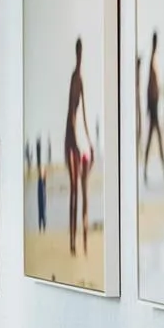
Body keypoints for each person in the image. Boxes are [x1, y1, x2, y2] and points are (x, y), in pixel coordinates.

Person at [64, 38, 94, 257]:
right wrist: (75, 140)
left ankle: (83, 240)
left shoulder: (80, 79)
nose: (80, 56)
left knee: (83, 191)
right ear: (76, 53)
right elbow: (71, 114)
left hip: (78, 140)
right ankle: (73, 241)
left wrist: (89, 141)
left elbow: (82, 113)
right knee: (74, 190)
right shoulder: (75, 78)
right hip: (70, 140)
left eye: (81, 53)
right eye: (78, 52)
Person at [144, 32, 164, 184]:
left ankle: (155, 169)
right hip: (153, 106)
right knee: (156, 138)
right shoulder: (152, 61)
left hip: (154, 104)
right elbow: (150, 86)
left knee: (154, 139)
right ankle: (161, 168)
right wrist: (149, 106)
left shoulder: (154, 60)